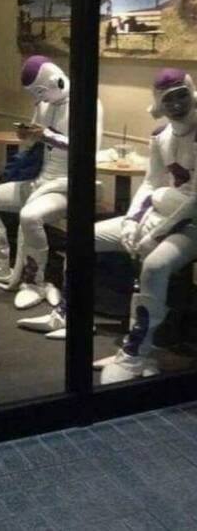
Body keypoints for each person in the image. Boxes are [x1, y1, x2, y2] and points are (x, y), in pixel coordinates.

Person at [95, 68, 197, 384]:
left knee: (154, 265)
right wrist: (130, 221)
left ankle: (136, 352)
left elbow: (195, 200)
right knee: (86, 237)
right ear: (158, 103)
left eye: (182, 95)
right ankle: (71, 313)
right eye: (168, 99)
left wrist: (156, 233)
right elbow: (151, 183)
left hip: (192, 225)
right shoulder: (161, 136)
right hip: (161, 215)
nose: (176, 104)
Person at [0, 55, 104, 311]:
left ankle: (33, 280)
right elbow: (38, 140)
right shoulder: (44, 104)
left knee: (30, 216)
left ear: (55, 81)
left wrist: (46, 135)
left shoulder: (87, 103)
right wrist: (28, 135)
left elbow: (87, 148)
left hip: (68, 183)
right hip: (39, 178)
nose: (40, 98)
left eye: (40, 91)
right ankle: (1, 265)